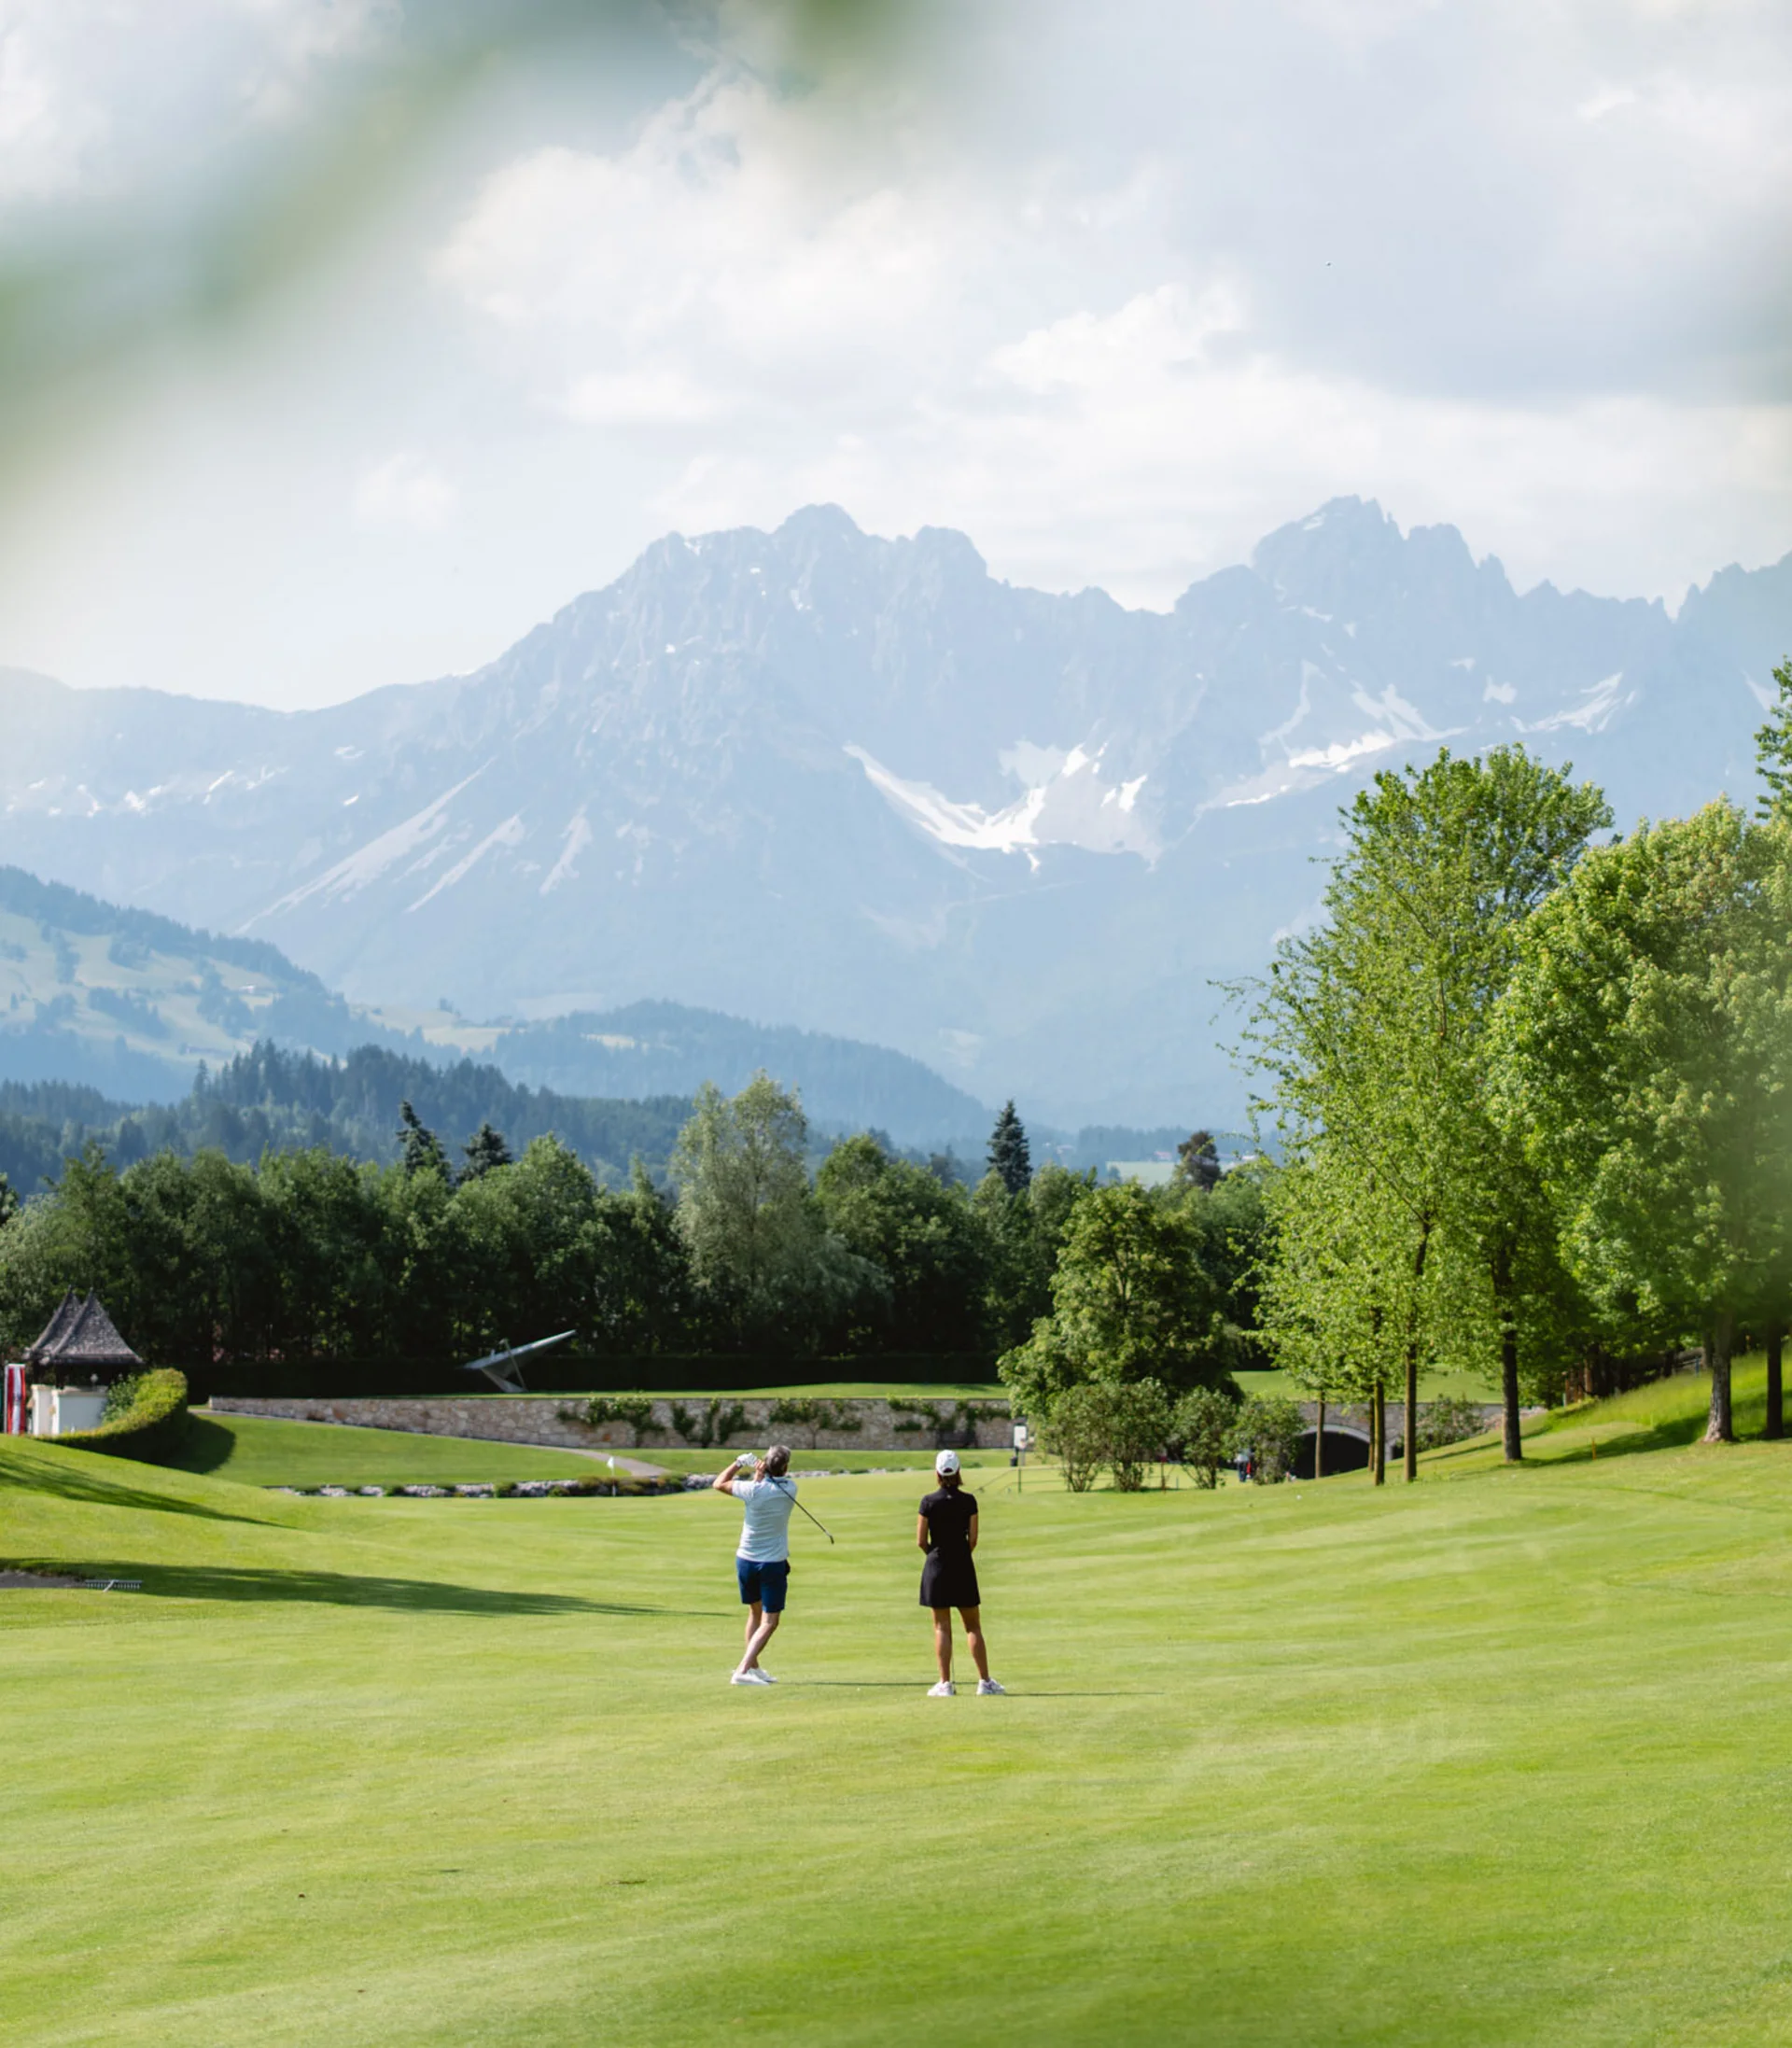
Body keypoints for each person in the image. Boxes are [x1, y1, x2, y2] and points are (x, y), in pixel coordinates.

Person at [917, 1449, 1004, 1696]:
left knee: (941, 1627)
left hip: (936, 1566)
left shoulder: (928, 1502)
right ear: (958, 1472)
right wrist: (959, 1556)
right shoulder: (969, 1501)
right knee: (973, 1626)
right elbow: (973, 1539)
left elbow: (921, 1541)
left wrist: (936, 1558)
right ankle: (984, 1682)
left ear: (937, 1472)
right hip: (963, 1565)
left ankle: (945, 1684)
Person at [711, 1444, 797, 1686]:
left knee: (755, 1614)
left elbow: (719, 1483)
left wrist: (740, 1462)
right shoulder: (791, 1488)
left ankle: (754, 1668)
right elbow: (767, 1486)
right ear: (786, 1468)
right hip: (772, 1565)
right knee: (770, 1622)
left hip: (745, 1561)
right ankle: (742, 1669)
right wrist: (761, 1475)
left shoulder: (751, 1489)